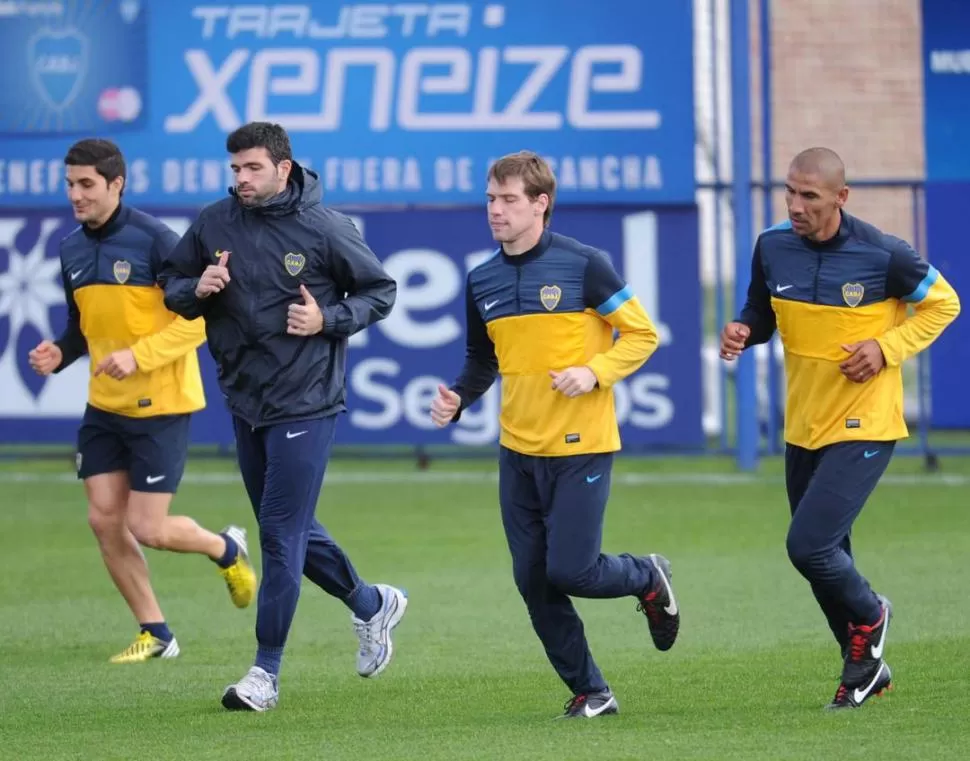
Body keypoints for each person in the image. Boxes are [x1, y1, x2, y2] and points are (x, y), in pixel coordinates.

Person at [158, 121, 407, 713]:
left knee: (278, 532)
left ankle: (264, 673)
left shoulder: (324, 227)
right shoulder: (214, 220)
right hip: (246, 398)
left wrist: (328, 321)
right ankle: (373, 604)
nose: (240, 180)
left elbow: (381, 290)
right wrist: (199, 286)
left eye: (251, 169)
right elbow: (169, 283)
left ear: (282, 169)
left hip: (307, 397)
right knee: (290, 527)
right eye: (235, 170)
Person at [429, 150, 681, 720]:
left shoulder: (585, 265)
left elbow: (642, 336)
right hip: (517, 452)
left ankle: (646, 575)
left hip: (582, 446)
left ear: (541, 204)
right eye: (491, 199)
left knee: (572, 570)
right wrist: (458, 398)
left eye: (508, 200)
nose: (495, 211)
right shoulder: (481, 278)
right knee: (533, 581)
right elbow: (480, 358)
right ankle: (592, 691)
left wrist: (594, 372)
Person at [720, 147, 961, 709]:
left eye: (810, 196)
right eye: (790, 192)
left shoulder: (883, 254)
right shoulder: (772, 245)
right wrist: (742, 329)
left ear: (840, 197)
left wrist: (885, 347)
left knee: (808, 546)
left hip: (866, 422)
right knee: (829, 560)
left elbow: (944, 304)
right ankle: (864, 674)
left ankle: (873, 612)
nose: (796, 206)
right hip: (803, 424)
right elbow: (762, 310)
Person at [27, 138, 258, 664]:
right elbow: (80, 329)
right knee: (103, 520)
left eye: (86, 184)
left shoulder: (156, 239)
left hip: (162, 402)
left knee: (148, 528)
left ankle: (225, 547)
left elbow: (199, 320)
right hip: (104, 407)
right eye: (69, 184)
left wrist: (140, 356)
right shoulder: (70, 249)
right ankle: (157, 632)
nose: (75, 195)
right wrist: (58, 354)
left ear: (116, 184)